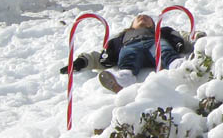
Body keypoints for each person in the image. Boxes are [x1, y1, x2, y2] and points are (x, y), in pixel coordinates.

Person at [63, 14, 195, 93]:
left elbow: (183, 37)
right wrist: (82, 62)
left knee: (163, 49)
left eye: (147, 18)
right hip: (132, 46)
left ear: (153, 25)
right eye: (139, 18)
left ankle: (179, 66)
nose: (143, 18)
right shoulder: (122, 38)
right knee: (128, 55)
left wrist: (196, 38)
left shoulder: (161, 32)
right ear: (132, 25)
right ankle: (124, 78)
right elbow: (102, 58)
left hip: (154, 43)